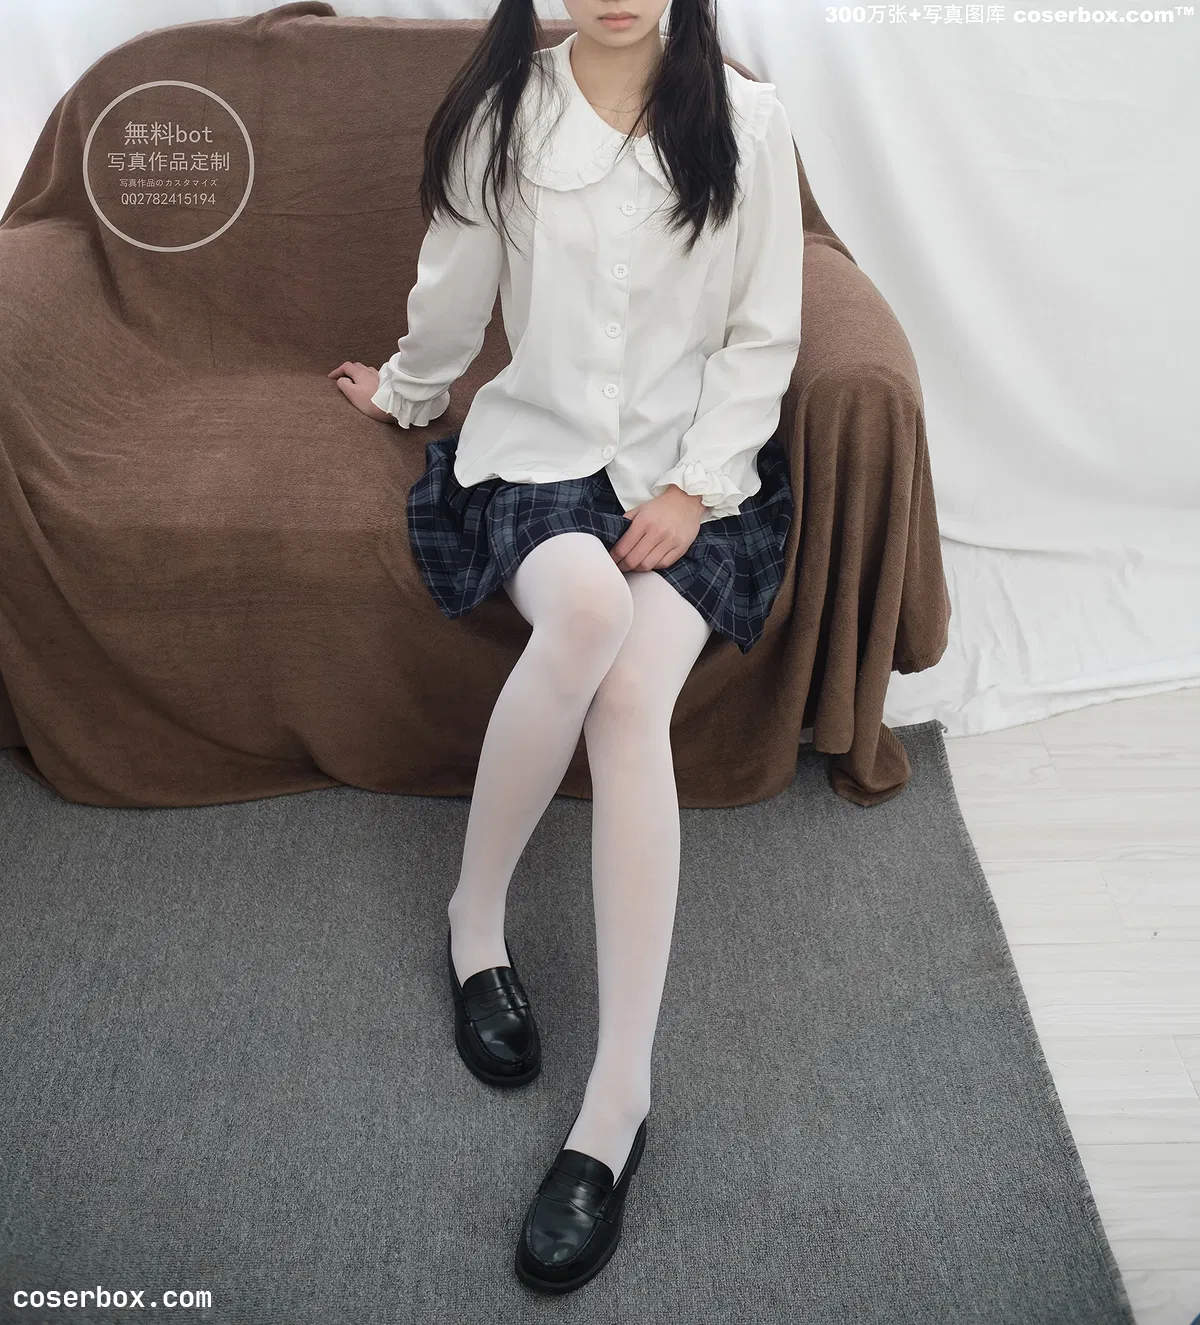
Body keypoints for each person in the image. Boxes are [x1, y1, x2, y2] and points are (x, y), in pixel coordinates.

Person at [328, 0, 803, 1294]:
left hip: (694, 475)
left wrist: (696, 487)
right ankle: (475, 919)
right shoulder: (501, 116)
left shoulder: (750, 124)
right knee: (588, 612)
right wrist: (406, 394)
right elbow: (453, 297)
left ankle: (618, 1104)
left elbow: (763, 334)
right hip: (542, 455)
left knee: (630, 697)